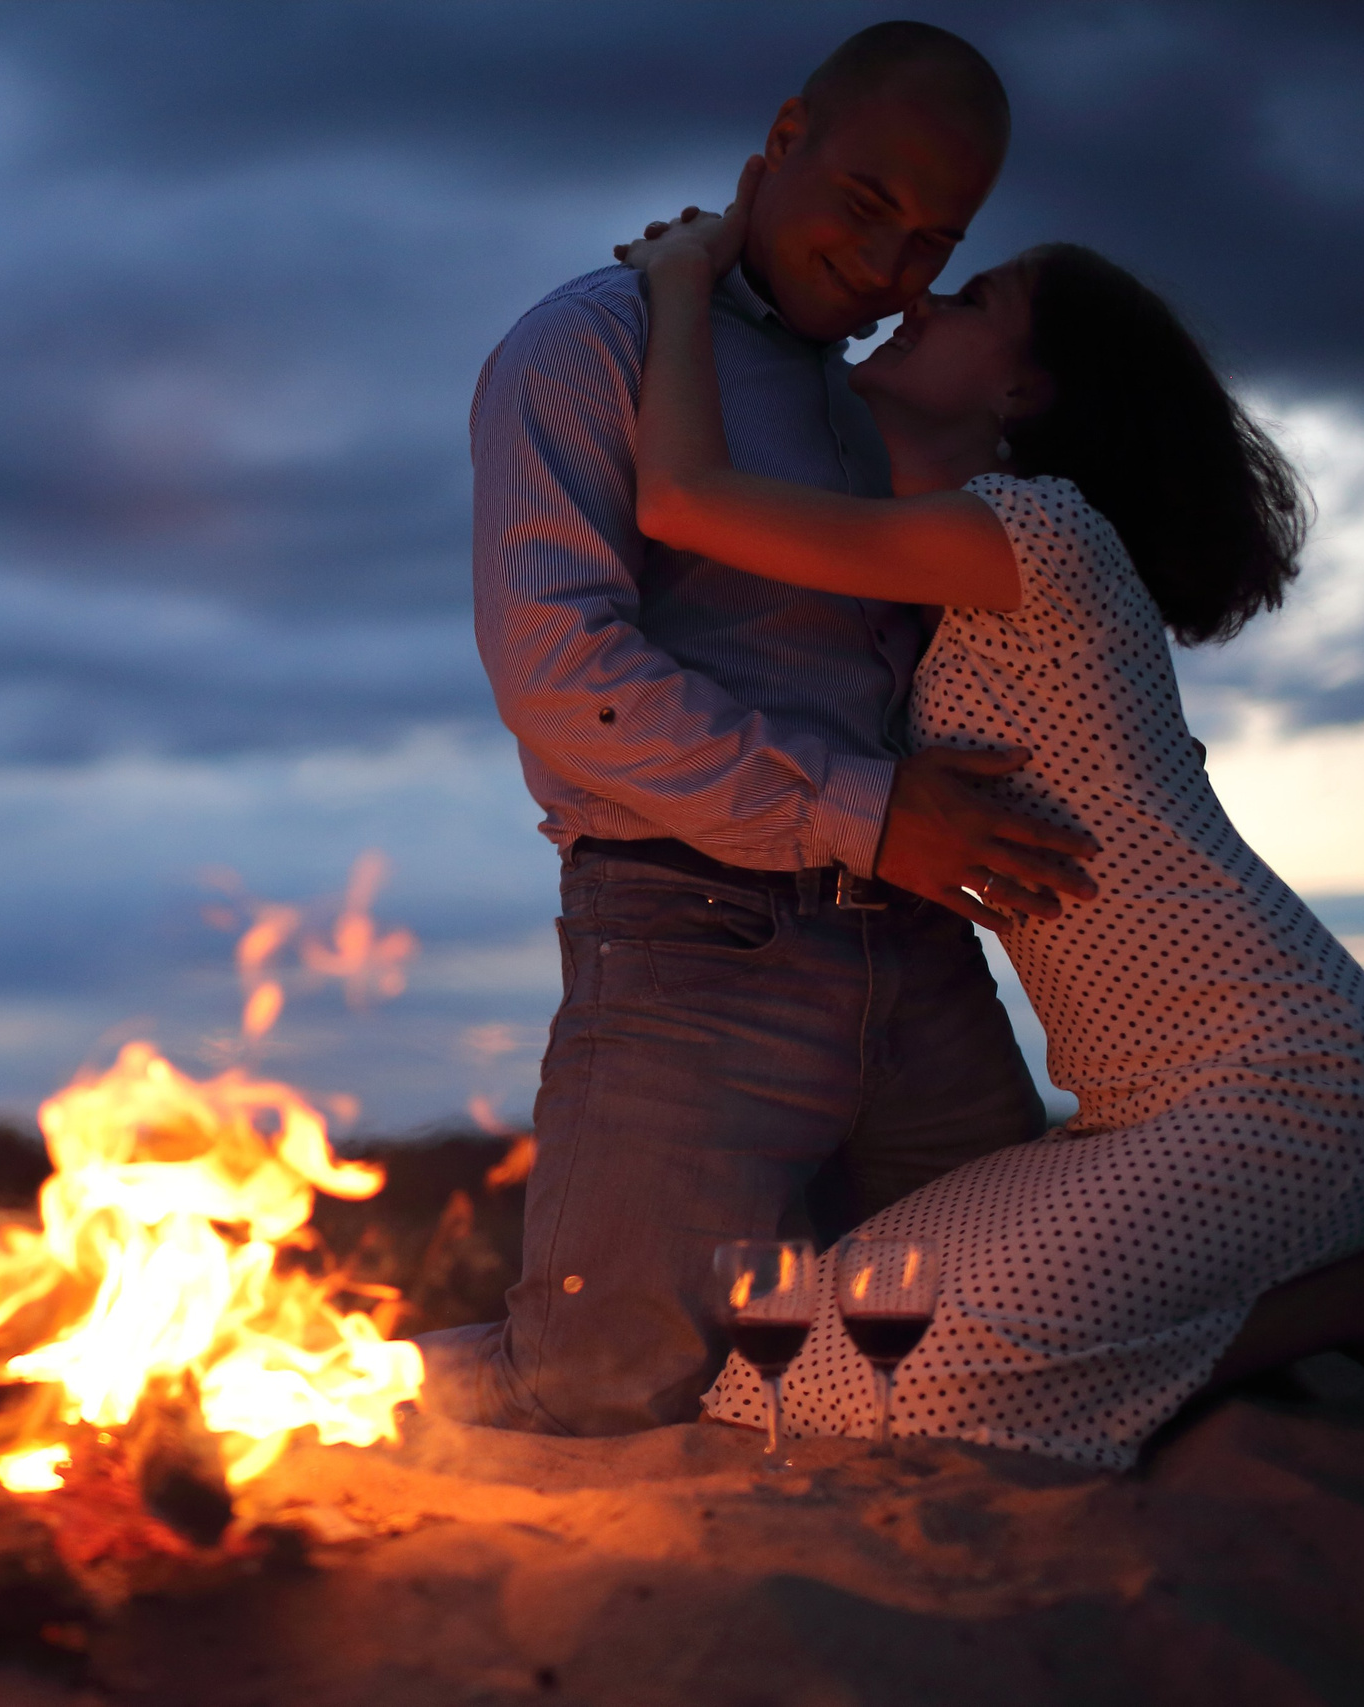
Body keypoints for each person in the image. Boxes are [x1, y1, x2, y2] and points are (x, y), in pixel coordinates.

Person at [616, 166, 1364, 1467]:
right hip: (1149, 1110)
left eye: (976, 293)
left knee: (901, 1396)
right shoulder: (952, 559)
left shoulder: (1035, 535)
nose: (927, 296)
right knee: (816, 1348)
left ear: (1022, 390)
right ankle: (1304, 1317)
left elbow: (682, 501)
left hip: (1282, 1091)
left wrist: (675, 284)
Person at [421, 21, 1097, 1435]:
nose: (885, 266)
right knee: (615, 1380)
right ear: (786, 136)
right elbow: (561, 670)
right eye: (865, 204)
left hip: (921, 956)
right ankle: (255, 1399)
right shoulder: (586, 345)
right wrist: (869, 806)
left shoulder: (885, 400)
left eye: (933, 242)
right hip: (693, 949)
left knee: (1006, 1346)